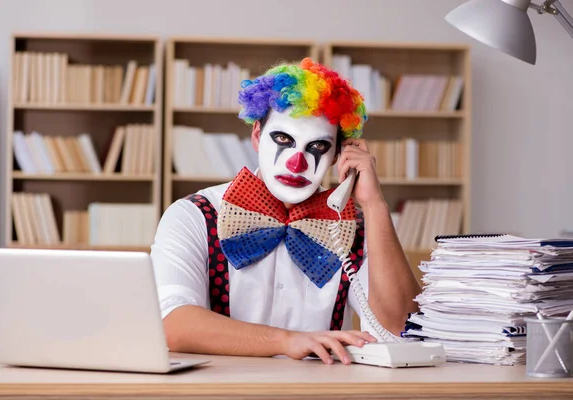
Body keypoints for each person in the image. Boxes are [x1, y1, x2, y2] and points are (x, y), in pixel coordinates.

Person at [150, 58, 421, 365]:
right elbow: (172, 324)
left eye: (318, 147)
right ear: (256, 135)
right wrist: (285, 340)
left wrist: (375, 206)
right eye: (283, 139)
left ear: (337, 155)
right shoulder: (193, 216)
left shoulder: (353, 228)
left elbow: (405, 331)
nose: (297, 162)